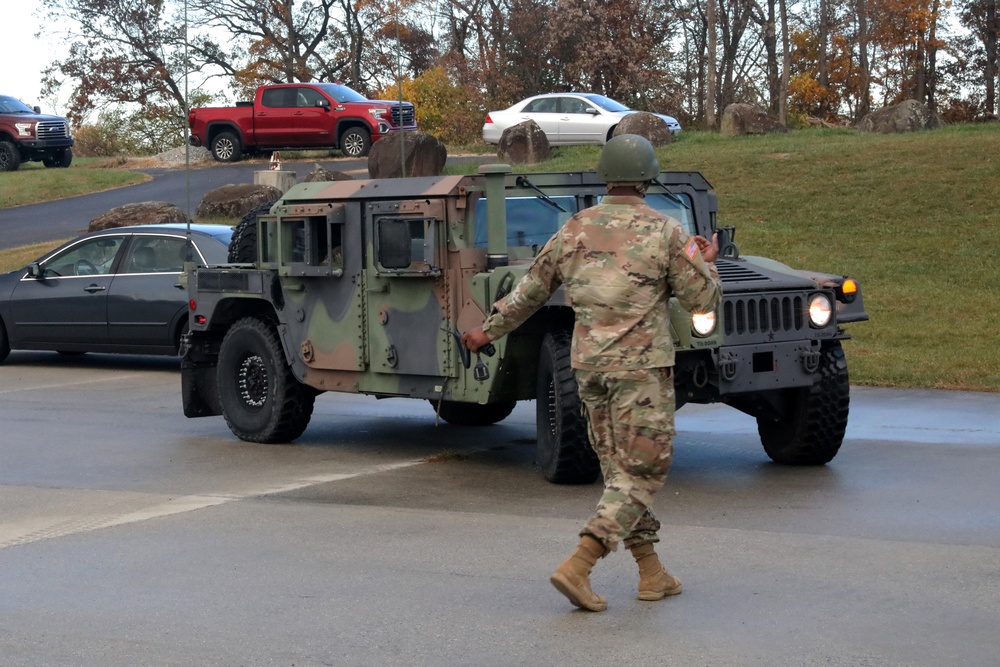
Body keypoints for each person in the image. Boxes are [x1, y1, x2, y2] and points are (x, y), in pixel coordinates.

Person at [461, 134, 723, 612]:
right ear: (649, 177)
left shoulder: (573, 229)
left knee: (620, 472)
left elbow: (529, 292)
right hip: (640, 372)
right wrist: (707, 265)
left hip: (590, 369)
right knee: (644, 471)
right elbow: (702, 302)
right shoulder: (666, 232)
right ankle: (579, 564)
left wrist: (486, 332)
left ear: (606, 176)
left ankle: (651, 572)